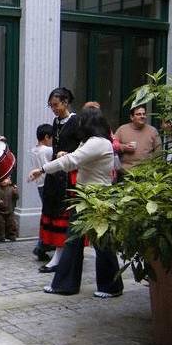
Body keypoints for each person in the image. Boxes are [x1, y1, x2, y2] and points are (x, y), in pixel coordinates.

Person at [29, 107, 124, 298]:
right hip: (84, 197)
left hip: (97, 199)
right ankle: (66, 285)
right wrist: (65, 156)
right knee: (73, 241)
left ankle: (111, 287)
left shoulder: (98, 143)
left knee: (102, 244)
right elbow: (75, 158)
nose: (78, 125)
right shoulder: (89, 142)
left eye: (81, 121)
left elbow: (73, 160)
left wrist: (43, 169)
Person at [37, 88, 81, 273]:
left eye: (55, 105)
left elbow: (83, 147)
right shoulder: (56, 122)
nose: (53, 109)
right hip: (56, 173)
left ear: (65, 102)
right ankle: (57, 252)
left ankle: (62, 256)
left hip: (69, 173)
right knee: (53, 211)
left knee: (65, 214)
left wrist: (68, 154)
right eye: (51, 105)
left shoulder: (76, 121)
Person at [29, 123, 54, 261]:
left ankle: (44, 244)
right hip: (48, 185)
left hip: (40, 185)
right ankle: (42, 245)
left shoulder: (34, 150)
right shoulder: (47, 151)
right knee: (49, 214)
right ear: (46, 137)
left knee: (46, 213)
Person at [115, 104, 162, 172]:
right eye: (138, 114)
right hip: (125, 172)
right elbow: (112, 147)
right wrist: (123, 147)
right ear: (132, 117)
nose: (142, 116)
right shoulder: (122, 130)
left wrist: (153, 169)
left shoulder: (152, 131)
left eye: (144, 114)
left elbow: (159, 152)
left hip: (146, 173)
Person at [0, 177, 18, 242]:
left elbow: (16, 198)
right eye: (1, 179)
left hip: (10, 210)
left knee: (11, 223)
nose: (3, 181)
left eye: (5, 179)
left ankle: (11, 235)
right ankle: (0, 236)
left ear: (9, 181)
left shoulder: (11, 189)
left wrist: (15, 192)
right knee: (0, 224)